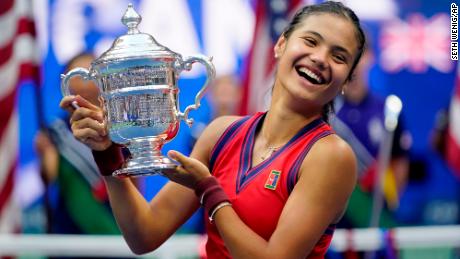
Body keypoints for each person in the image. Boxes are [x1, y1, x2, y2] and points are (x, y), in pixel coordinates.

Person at [60, 2, 366, 258]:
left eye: (339, 57)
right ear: (281, 44)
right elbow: (144, 234)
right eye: (310, 41)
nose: (320, 58)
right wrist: (108, 155)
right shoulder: (222, 134)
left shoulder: (331, 156)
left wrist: (209, 191)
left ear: (347, 80)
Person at [35, 53, 121, 238]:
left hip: (115, 226)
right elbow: (49, 176)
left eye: (91, 75)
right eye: (78, 76)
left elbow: (134, 184)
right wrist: (45, 153)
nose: (85, 84)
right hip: (69, 232)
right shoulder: (55, 132)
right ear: (66, 84)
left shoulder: (120, 129)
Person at [331, 44, 410, 229]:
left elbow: (400, 163)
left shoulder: (388, 110)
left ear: (370, 57)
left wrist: (387, 199)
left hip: (375, 215)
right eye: (347, 54)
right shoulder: (325, 111)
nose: (355, 62)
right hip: (333, 218)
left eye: (360, 53)